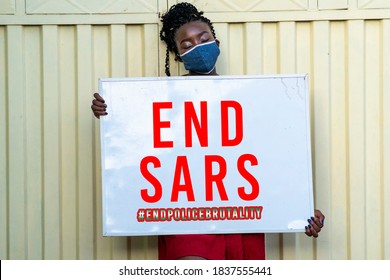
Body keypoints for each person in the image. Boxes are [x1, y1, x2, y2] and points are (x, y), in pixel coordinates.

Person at [91, 2, 325, 260]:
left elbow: (270, 158)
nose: (198, 47)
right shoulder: (159, 100)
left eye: (204, 39)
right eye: (187, 45)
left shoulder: (253, 98)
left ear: (217, 43)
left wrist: (299, 207)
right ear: (179, 56)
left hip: (241, 221)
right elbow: (134, 145)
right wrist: (111, 111)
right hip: (187, 222)